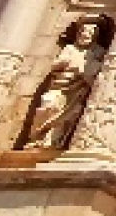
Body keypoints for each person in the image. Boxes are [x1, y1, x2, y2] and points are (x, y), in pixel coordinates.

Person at [18, 19, 107, 150]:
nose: (85, 35)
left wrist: (82, 69)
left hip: (78, 90)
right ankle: (38, 137)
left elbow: (95, 72)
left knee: (70, 115)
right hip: (60, 86)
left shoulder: (97, 52)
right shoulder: (70, 48)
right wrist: (67, 62)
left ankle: (53, 142)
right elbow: (56, 64)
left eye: (89, 33)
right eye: (82, 32)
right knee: (48, 103)